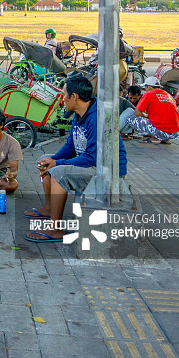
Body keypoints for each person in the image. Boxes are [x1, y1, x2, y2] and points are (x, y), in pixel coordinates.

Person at [24, 76, 128, 242]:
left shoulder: (96, 118)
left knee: (59, 172)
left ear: (74, 97)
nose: (62, 98)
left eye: (64, 94)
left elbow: (90, 158)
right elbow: (70, 146)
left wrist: (57, 163)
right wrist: (52, 159)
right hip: (89, 163)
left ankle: (55, 229)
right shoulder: (78, 114)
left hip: (106, 172)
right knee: (45, 160)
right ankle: (49, 208)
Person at [121, 77, 179, 144]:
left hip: (159, 130)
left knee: (130, 116)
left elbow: (137, 113)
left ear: (149, 87)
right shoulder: (168, 95)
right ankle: (165, 138)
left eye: (145, 87)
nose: (145, 90)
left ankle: (154, 137)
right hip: (173, 133)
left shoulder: (149, 94)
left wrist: (145, 116)